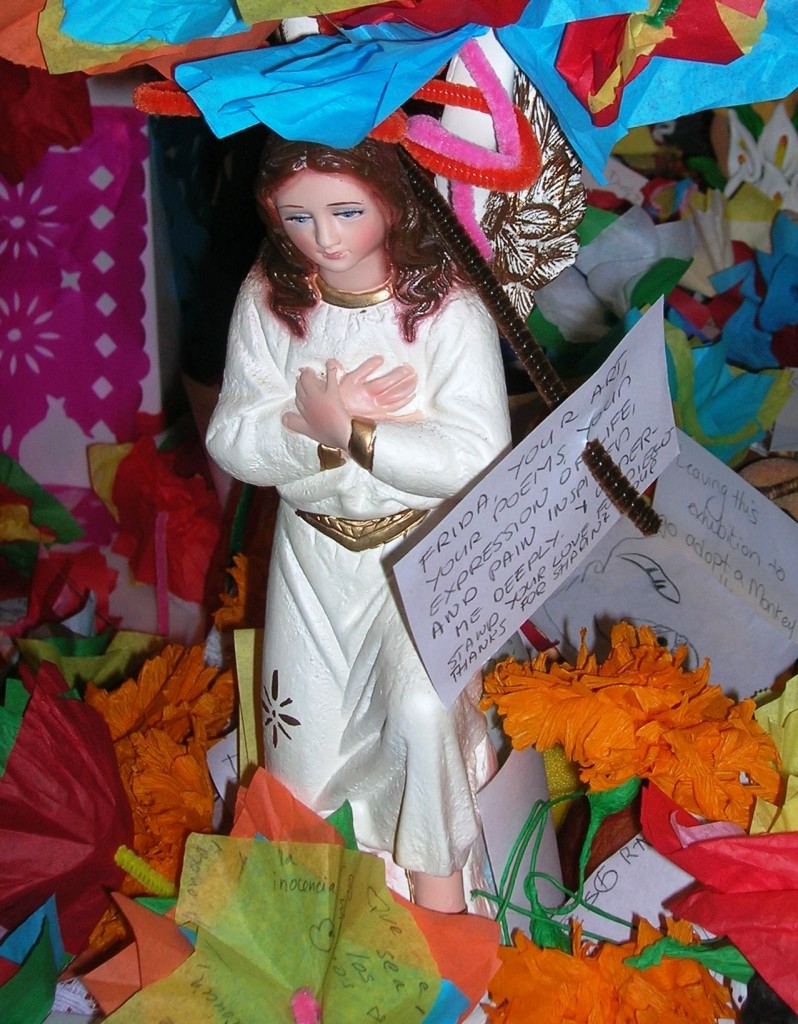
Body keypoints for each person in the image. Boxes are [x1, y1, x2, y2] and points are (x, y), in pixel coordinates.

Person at [206, 134, 511, 912]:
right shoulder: (273, 301)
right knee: (301, 753)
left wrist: (357, 436)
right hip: (312, 560)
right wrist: (308, 431)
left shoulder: (447, 307)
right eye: (299, 217)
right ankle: (317, 920)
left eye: (346, 211)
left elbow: (477, 455)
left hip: (418, 552)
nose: (326, 238)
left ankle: (443, 909)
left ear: (393, 201)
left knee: (420, 712)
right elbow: (234, 439)